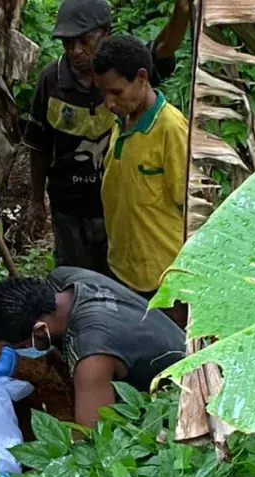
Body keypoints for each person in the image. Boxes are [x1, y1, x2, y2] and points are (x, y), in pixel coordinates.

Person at [23, 0, 189, 272]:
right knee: (77, 277)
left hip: (120, 209)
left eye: (85, 40)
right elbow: (39, 146)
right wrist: (36, 199)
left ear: (106, 32)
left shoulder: (126, 70)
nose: (77, 51)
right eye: (68, 43)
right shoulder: (51, 81)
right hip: (69, 206)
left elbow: (163, 48)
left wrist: (182, 13)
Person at [0, 267, 185, 428]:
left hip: (180, 393)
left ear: (40, 331)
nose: (23, 351)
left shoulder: (92, 355)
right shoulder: (64, 279)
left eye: (22, 346)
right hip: (173, 340)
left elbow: (94, 437)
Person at [93, 35, 187, 323]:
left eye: (116, 92)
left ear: (142, 78)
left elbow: (190, 208)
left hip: (165, 280)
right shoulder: (122, 119)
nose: (108, 103)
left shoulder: (171, 128)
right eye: (104, 94)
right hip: (123, 268)